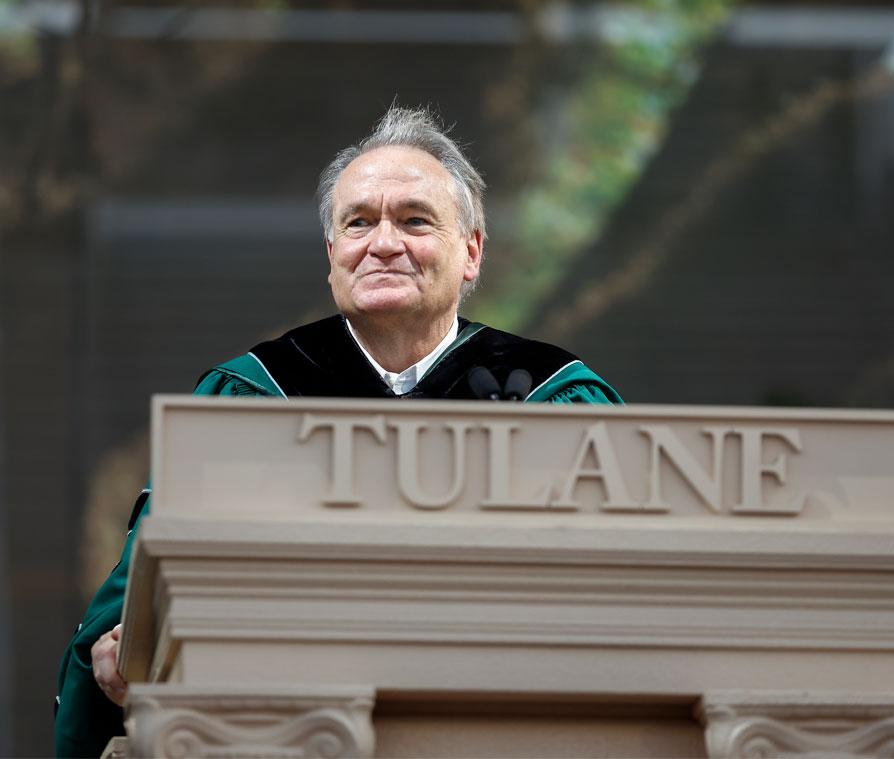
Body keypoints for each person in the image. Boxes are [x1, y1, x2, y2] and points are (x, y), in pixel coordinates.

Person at [54, 105, 622, 757]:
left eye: (414, 219)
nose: (383, 242)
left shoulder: (558, 398)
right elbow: (140, 598)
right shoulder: (249, 398)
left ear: (471, 251)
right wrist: (125, 643)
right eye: (359, 223)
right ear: (332, 255)